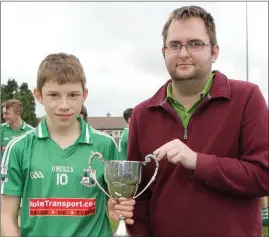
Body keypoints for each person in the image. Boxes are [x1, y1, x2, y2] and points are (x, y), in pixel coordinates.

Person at [125, 6, 268, 237]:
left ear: (214, 51)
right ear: (164, 52)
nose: (183, 53)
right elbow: (138, 196)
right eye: (174, 45)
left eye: (195, 43)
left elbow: (263, 175)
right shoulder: (143, 113)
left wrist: (198, 162)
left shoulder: (247, 98)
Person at [1, 53, 134, 237]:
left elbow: (117, 200)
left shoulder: (106, 145)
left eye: (72, 95)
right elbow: (6, 217)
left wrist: (115, 207)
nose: (64, 105)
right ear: (38, 95)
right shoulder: (19, 147)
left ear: (84, 95)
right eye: (54, 95)